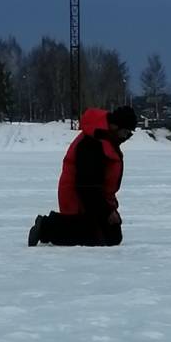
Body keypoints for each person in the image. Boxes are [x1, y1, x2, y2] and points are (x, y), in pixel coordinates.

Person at [27, 105, 137, 247]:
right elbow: (87, 186)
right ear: (115, 126)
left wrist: (109, 210)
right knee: (105, 238)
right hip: (79, 198)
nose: (126, 138)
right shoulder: (91, 144)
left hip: (91, 197)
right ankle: (47, 227)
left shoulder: (105, 139)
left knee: (113, 235)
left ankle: (56, 226)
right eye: (126, 133)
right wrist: (107, 212)